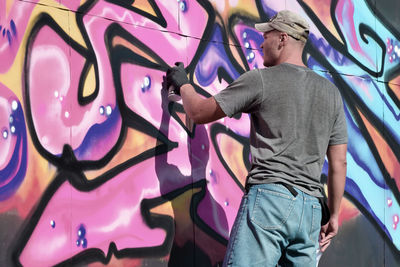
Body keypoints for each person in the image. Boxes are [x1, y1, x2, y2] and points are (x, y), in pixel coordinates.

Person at [165, 9, 347, 267]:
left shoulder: (262, 80)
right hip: (311, 212)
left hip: (270, 201)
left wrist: (183, 84)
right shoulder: (331, 94)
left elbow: (198, 112)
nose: (261, 43)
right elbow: (339, 163)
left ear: (282, 39)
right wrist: (335, 215)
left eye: (267, 36)